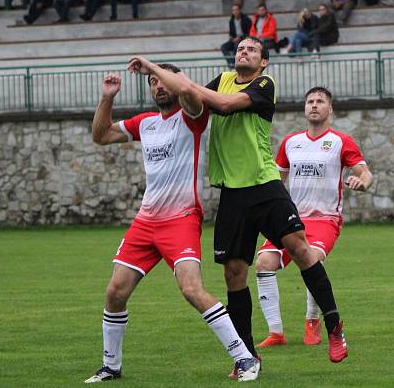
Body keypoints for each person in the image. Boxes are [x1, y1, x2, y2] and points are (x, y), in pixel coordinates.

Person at [127, 37, 350, 367]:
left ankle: (333, 326)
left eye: (252, 50)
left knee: (300, 249)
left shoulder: (264, 84)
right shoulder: (222, 79)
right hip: (232, 192)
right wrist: (171, 82)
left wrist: (157, 70)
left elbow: (222, 104)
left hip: (264, 185)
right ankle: (247, 354)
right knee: (234, 273)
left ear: (263, 62)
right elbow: (193, 98)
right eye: (241, 48)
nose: (243, 52)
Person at [86, 65, 259, 383]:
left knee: (192, 289)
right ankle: (111, 366)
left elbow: (190, 95)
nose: (157, 86)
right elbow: (100, 136)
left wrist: (153, 65)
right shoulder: (146, 123)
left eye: (163, 81)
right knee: (115, 292)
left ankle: (245, 358)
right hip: (145, 221)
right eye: (152, 83)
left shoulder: (193, 115)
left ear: (175, 83)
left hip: (180, 219)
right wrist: (107, 98)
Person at [255, 87, 372, 347]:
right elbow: (276, 179)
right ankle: (276, 333)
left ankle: (312, 320)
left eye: (320, 101)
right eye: (310, 101)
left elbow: (366, 174)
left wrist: (362, 182)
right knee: (263, 262)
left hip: (325, 220)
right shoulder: (291, 142)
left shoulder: (341, 140)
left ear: (330, 109)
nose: (315, 105)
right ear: (304, 108)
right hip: (291, 218)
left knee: (311, 258)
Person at [221, 4, 251, 68]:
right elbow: (231, 33)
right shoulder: (231, 21)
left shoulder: (246, 19)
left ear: (240, 10)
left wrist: (240, 37)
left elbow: (249, 32)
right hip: (235, 39)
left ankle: (235, 62)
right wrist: (231, 38)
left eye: (236, 10)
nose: (235, 12)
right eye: (233, 10)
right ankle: (231, 62)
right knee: (223, 47)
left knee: (236, 45)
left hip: (244, 39)